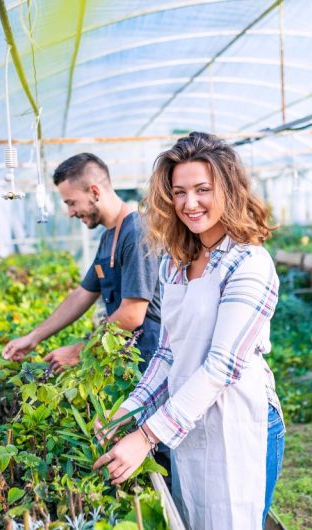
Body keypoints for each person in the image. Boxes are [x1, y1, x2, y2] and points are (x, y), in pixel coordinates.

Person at [93, 132, 285, 529]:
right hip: (187, 416)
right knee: (194, 518)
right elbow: (168, 354)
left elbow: (221, 368)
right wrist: (127, 412)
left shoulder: (248, 262)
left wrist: (146, 436)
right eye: (179, 192)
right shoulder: (176, 263)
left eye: (202, 190)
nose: (189, 203)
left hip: (237, 417)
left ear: (228, 191)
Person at [2, 153, 161, 373]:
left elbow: (132, 314)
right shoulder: (108, 236)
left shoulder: (135, 233)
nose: (70, 213)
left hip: (151, 360)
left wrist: (79, 351)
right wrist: (33, 338)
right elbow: (82, 294)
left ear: (95, 192)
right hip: (126, 359)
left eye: (71, 203)